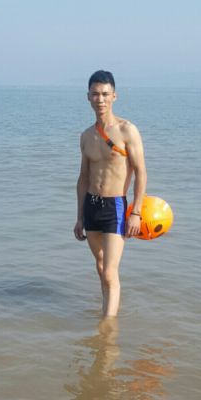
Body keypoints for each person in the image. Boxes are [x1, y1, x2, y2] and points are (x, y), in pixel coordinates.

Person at [73, 70, 147, 317]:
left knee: (109, 271)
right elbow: (83, 178)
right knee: (100, 266)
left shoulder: (127, 130)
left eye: (105, 94)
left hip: (115, 206)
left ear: (114, 96)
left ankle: (108, 327)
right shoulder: (86, 136)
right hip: (91, 205)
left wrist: (136, 212)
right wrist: (79, 217)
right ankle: (106, 310)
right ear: (88, 97)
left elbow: (141, 172)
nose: (100, 99)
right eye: (95, 94)